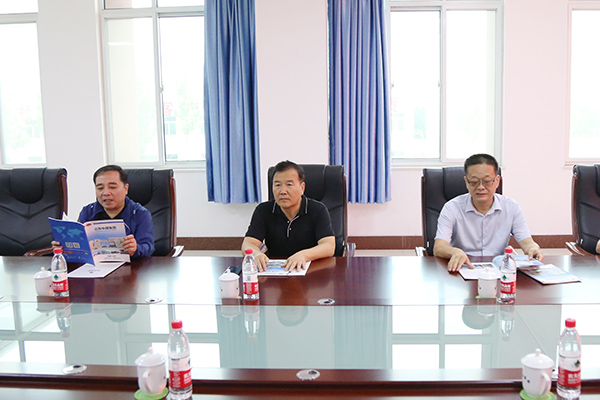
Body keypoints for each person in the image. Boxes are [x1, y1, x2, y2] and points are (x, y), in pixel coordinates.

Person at [433, 154, 544, 272]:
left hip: (498, 271)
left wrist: (533, 248)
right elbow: (439, 247)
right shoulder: (452, 208)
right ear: (466, 182)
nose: (480, 187)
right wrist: (455, 252)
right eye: (474, 181)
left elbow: (527, 242)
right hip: (462, 269)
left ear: (497, 181)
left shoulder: (511, 207)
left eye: (486, 181)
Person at [242, 161, 336, 272]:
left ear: (302, 188)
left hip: (311, 271)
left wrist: (304, 255)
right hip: (277, 274)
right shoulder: (263, 210)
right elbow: (249, 243)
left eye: (289, 185)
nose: (283, 191)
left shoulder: (318, 210)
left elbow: (329, 246)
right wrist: (256, 254)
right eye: (277, 185)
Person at [53, 165, 154, 258]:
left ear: (126, 189)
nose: (106, 193)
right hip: (95, 270)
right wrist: (65, 247)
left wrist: (136, 248)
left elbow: (148, 247)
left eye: (113, 187)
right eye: (100, 188)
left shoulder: (140, 214)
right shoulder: (88, 212)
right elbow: (80, 245)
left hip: (131, 270)